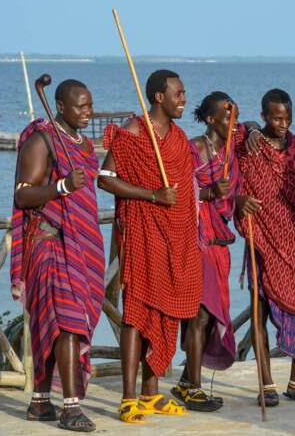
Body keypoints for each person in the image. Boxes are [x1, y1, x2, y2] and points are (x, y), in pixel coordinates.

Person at [98, 69, 201, 423]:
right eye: (179, 93)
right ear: (159, 97)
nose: (184, 99)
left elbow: (185, 194)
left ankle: (151, 393)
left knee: (166, 313)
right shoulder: (134, 131)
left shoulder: (179, 136)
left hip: (174, 238)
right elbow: (105, 179)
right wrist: (152, 195)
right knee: (137, 314)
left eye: (184, 93)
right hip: (142, 232)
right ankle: (129, 398)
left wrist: (188, 239)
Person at [10, 79, 104, 432]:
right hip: (50, 244)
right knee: (67, 322)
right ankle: (70, 407)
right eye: (80, 106)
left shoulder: (82, 145)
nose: (87, 112)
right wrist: (62, 186)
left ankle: (39, 402)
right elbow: (24, 196)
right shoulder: (42, 140)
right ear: (60, 106)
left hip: (80, 243)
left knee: (63, 322)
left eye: (90, 105)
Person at [235, 88, 295, 406]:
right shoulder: (248, 144)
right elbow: (230, 177)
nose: (283, 124)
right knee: (258, 312)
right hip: (262, 239)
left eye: (287, 118)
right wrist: (238, 201)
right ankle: (266, 385)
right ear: (263, 116)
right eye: (276, 118)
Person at [171, 92, 262, 411]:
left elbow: (252, 125)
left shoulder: (233, 144)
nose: (233, 122)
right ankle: (192, 388)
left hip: (220, 243)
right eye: (227, 116)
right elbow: (178, 191)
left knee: (210, 316)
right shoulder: (195, 148)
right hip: (197, 240)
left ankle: (186, 380)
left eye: (234, 116)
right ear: (211, 119)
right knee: (201, 314)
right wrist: (209, 193)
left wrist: (251, 130)